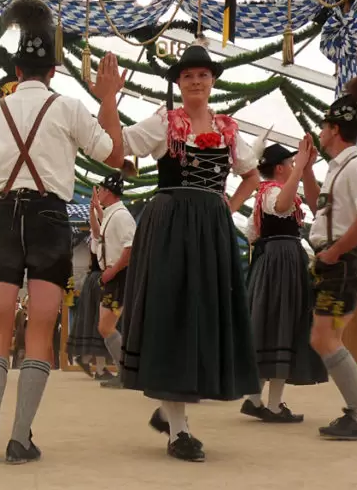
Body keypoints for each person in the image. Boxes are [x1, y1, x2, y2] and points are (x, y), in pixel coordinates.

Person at [0, 0, 125, 465]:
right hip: (50, 218)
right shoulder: (67, 108)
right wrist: (108, 97)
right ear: (51, 72)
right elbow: (114, 154)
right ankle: (20, 439)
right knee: (41, 329)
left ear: (15, 72)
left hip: (4, 214)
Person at [115, 44, 262, 462]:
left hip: (211, 227)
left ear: (212, 81)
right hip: (171, 222)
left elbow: (249, 174)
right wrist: (109, 100)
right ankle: (178, 430)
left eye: (203, 75)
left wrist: (226, 207)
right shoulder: (165, 122)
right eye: (188, 76)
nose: (196, 81)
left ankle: (170, 411)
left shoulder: (228, 128)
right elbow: (121, 144)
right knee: (173, 313)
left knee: (201, 312)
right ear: (178, 84)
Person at [302, 75, 357, 441]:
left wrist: (334, 251)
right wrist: (305, 169)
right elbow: (315, 206)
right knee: (328, 336)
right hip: (340, 260)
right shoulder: (340, 168)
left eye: (323, 126)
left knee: (323, 338)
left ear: (335, 129)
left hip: (345, 260)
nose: (320, 132)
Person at [241, 143, 327, 424]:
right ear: (279, 168)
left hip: (275, 261)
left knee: (274, 324)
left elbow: (252, 234)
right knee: (283, 324)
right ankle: (273, 406)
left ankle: (256, 400)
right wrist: (300, 168)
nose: (293, 168)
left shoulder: (268, 192)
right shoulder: (273, 192)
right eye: (290, 164)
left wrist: (305, 168)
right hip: (282, 261)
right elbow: (280, 206)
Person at [90, 165, 137, 389]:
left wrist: (113, 269)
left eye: (100, 189)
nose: (98, 192)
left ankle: (125, 371)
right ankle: (124, 370)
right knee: (104, 326)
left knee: (106, 326)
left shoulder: (121, 217)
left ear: (108, 191)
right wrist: (95, 212)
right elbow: (100, 235)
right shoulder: (113, 214)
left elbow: (130, 248)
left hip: (119, 276)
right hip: (113, 275)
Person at [67, 233, 112, 381]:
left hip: (93, 279)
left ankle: (86, 359)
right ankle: (99, 369)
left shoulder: (96, 236)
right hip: (101, 278)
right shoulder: (103, 235)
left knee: (95, 322)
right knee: (102, 321)